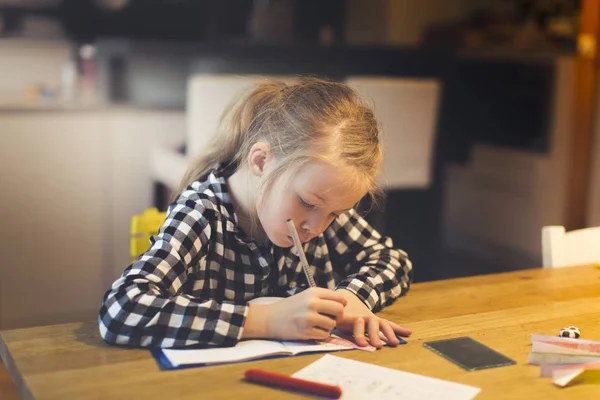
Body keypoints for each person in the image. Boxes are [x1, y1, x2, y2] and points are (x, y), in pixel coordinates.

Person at [98, 77, 413, 349]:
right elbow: (122, 307)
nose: (317, 227)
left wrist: (352, 298)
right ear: (261, 162)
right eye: (307, 203)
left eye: (334, 214)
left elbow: (392, 259)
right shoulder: (203, 213)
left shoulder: (324, 206)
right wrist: (265, 320)